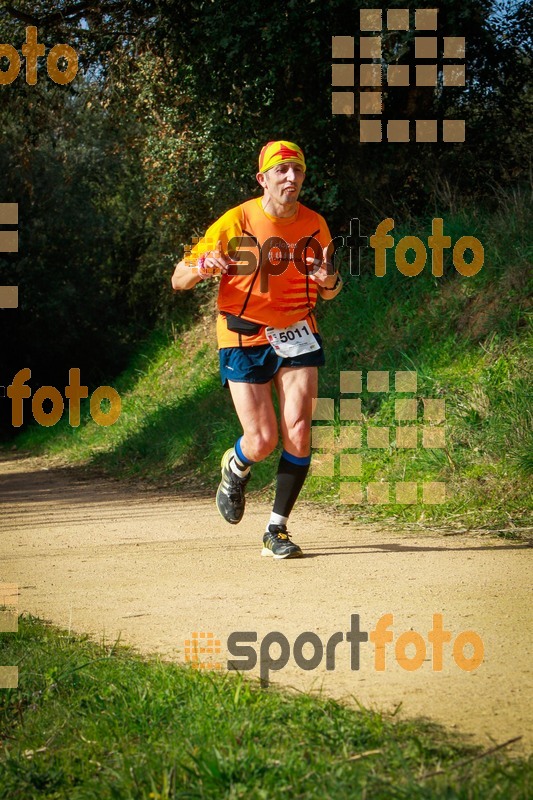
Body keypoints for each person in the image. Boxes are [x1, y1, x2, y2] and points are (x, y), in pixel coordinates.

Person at [171, 140, 342, 559]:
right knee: (263, 439)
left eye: (297, 170)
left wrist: (328, 280)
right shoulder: (236, 222)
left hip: (298, 332)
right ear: (262, 179)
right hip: (243, 333)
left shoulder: (316, 225)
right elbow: (179, 278)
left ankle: (276, 530)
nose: (291, 178)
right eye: (281, 170)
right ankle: (236, 465)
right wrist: (201, 266)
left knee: (299, 430)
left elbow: (333, 288)